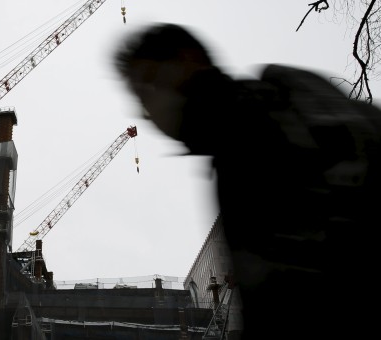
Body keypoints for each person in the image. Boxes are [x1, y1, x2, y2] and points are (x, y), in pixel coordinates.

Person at [114, 23, 381, 339]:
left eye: (147, 87)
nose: (146, 111)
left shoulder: (247, 136)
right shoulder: (278, 102)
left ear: (187, 60)